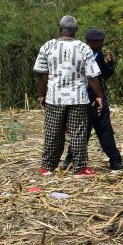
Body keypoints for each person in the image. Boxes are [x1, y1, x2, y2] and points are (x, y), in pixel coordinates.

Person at [34, 16, 103, 177]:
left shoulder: (48, 46)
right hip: (78, 98)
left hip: (54, 98)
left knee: (53, 133)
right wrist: (99, 95)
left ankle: (47, 167)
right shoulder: (83, 48)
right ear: (76, 30)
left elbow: (41, 74)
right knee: (78, 133)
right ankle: (80, 169)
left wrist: (42, 94)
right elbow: (93, 76)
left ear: (60, 28)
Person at [61, 29, 123, 171]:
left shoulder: (94, 54)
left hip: (89, 97)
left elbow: (103, 75)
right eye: (100, 42)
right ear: (92, 42)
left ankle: (114, 159)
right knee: (92, 130)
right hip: (89, 97)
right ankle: (72, 159)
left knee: (91, 131)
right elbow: (93, 78)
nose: (102, 45)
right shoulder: (88, 55)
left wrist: (110, 64)